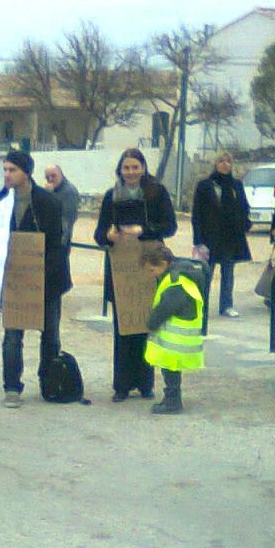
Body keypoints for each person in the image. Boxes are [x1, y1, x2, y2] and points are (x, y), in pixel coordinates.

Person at [0, 150, 71, 408]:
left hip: (48, 281)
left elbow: (58, 246)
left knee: (50, 335)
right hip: (13, 284)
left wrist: (41, 277)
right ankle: (12, 387)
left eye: (13, 170)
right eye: (5, 170)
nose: (7, 175)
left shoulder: (49, 203)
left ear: (26, 172)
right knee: (12, 336)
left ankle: (49, 382)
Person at [93, 147, 178, 400]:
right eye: (126, 168)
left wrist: (145, 229)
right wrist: (107, 236)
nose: (131, 172)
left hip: (148, 266)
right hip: (121, 273)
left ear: (143, 168)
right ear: (120, 170)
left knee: (146, 325)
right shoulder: (111, 197)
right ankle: (121, 385)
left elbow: (170, 226)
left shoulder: (156, 193)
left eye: (135, 167)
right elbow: (99, 233)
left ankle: (145, 383)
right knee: (123, 329)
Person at [142, 244, 203, 415]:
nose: (151, 274)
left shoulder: (174, 281)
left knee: (170, 372)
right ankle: (172, 399)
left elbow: (165, 308)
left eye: (152, 270)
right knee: (172, 371)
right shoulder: (182, 275)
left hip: (175, 339)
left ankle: (172, 401)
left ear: (162, 264)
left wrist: (151, 323)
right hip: (182, 337)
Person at [191, 151, 252, 318]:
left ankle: (226, 305)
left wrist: (245, 223)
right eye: (221, 161)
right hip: (209, 237)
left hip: (230, 237)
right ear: (215, 164)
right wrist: (197, 240)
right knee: (206, 273)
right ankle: (200, 306)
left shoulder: (236, 185)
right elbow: (197, 214)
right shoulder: (206, 185)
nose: (225, 164)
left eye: (228, 161)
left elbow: (243, 207)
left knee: (228, 272)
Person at [44, 164, 82, 250]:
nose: (50, 179)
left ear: (61, 175)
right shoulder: (54, 190)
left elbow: (67, 220)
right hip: (52, 239)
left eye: (53, 176)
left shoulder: (69, 192)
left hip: (60, 242)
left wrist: (49, 195)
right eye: (47, 177)